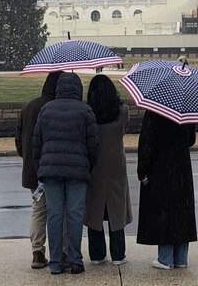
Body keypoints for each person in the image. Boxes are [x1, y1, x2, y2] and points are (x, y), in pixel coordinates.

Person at [33, 73, 99, 275]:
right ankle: (75, 259)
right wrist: (87, 166)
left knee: (54, 215)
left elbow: (37, 144)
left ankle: (55, 262)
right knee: (75, 215)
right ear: (78, 89)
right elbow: (93, 145)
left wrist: (40, 169)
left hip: (50, 171)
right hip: (77, 171)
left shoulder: (46, 110)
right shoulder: (86, 111)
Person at [136, 111, 197, 270]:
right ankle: (181, 257)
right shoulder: (187, 108)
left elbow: (147, 142)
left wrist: (142, 169)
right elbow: (191, 139)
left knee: (165, 210)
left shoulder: (155, 110)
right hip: (182, 165)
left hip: (161, 165)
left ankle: (165, 257)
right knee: (181, 209)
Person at [15, 71, 62, 269]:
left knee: (38, 210)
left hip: (33, 170)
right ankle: (62, 252)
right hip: (55, 167)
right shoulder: (57, 108)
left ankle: (37, 251)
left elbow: (19, 140)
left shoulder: (29, 107)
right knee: (59, 211)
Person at [84, 75, 132, 266]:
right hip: (115, 166)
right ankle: (118, 254)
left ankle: (97, 254)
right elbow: (124, 130)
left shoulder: (89, 113)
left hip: (94, 165)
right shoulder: (123, 111)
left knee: (94, 210)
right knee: (116, 211)